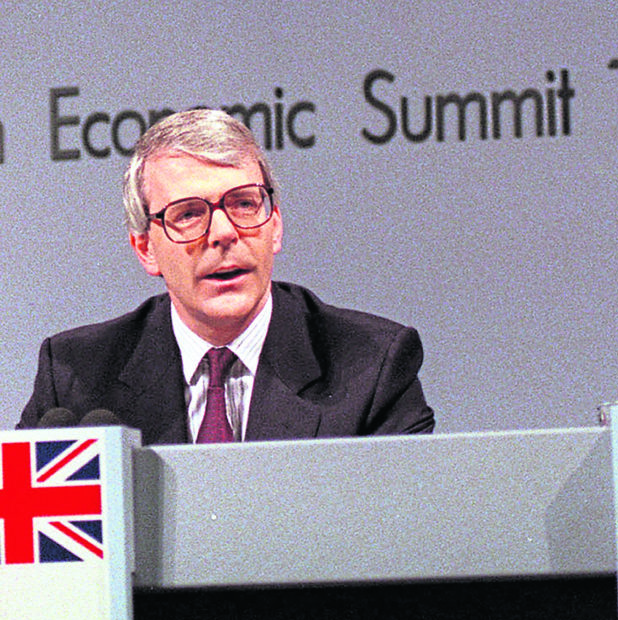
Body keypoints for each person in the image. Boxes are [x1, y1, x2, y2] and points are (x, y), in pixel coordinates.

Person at [19, 109, 434, 443]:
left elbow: (404, 534)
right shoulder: (76, 379)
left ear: (275, 226)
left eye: (244, 204)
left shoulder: (372, 366)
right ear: (146, 250)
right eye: (188, 213)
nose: (223, 233)